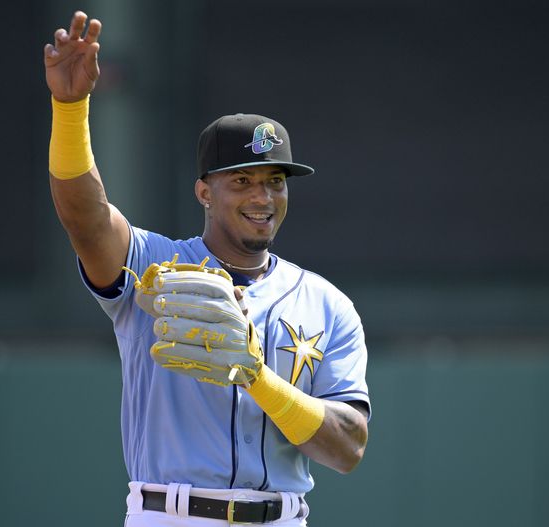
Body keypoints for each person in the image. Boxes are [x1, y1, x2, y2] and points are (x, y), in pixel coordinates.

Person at [44, 11, 370, 526]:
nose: (263, 196)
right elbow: (84, 218)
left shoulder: (327, 304)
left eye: (275, 181)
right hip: (173, 514)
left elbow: (348, 447)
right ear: (204, 191)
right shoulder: (153, 263)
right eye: (241, 181)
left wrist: (258, 378)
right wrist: (70, 109)